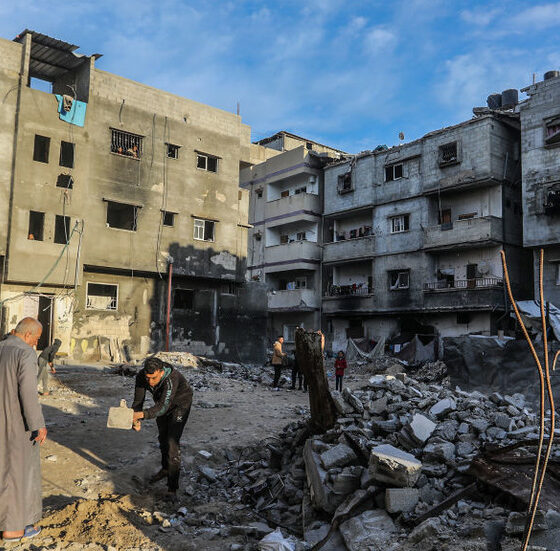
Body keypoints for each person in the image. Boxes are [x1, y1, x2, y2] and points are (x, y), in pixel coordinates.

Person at [0, 318, 47, 542]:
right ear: (28, 335)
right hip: (15, 425)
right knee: (17, 474)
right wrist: (38, 424)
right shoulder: (25, 353)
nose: (35, 344)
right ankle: (13, 529)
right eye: (36, 339)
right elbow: (28, 393)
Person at [131, 356, 193, 498]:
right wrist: (135, 418)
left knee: (172, 442)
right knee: (162, 438)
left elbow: (162, 408)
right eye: (148, 379)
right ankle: (165, 469)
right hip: (162, 405)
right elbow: (138, 401)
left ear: (160, 371)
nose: (150, 383)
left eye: (154, 378)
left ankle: (172, 488)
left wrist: (142, 415)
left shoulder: (172, 378)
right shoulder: (142, 376)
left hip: (180, 405)